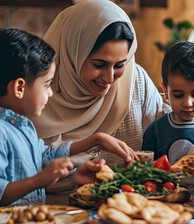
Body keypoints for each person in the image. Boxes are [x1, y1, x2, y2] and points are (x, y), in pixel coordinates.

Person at [0, 28, 136, 212]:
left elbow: (44, 157)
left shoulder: (21, 125)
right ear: (19, 87)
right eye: (46, 85)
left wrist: (94, 142)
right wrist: (38, 181)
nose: (50, 93)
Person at [31, 0, 165, 166]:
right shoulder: (36, 91)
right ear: (73, 54)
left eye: (119, 65)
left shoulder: (136, 83)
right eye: (99, 64)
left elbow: (167, 136)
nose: (109, 79)